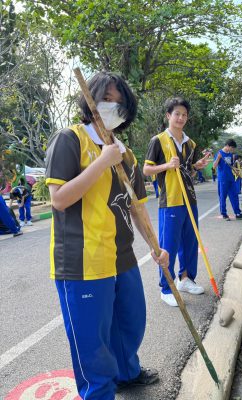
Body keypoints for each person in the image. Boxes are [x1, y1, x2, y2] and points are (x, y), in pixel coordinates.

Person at [45, 71, 169, 399]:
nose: (113, 107)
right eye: (106, 99)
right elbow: (59, 199)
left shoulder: (126, 154)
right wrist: (102, 161)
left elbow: (137, 207)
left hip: (122, 257)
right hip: (83, 261)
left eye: (120, 103)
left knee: (130, 322)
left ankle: (126, 372)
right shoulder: (70, 140)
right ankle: (99, 393)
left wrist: (156, 247)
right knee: (91, 341)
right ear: (90, 102)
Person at [143, 97, 210, 307]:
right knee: (168, 245)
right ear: (168, 116)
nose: (181, 118)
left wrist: (197, 166)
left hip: (190, 199)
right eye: (177, 114)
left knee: (190, 241)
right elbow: (146, 170)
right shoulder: (158, 140)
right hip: (170, 200)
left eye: (184, 114)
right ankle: (167, 288)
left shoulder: (191, 144)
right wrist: (166, 166)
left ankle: (186, 279)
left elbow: (188, 171)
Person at [213, 139, 242, 221]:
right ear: (227, 146)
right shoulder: (219, 153)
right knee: (223, 197)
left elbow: (231, 166)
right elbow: (214, 166)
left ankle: (237, 213)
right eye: (232, 148)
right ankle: (224, 214)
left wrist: (235, 170)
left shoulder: (230, 154)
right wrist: (218, 158)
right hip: (223, 179)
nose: (232, 150)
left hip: (231, 178)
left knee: (234, 195)